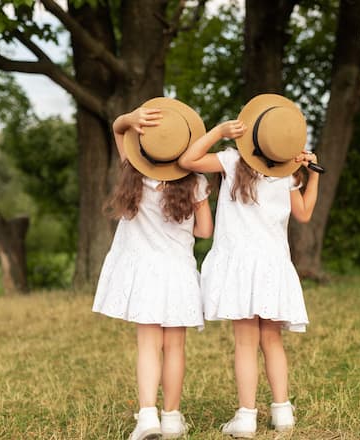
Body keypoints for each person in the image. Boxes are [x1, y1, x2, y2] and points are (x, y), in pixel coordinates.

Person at [177, 94, 320, 438]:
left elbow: (187, 159)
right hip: (273, 267)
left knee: (245, 343)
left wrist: (219, 131)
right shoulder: (286, 175)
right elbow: (304, 213)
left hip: (241, 264)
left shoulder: (231, 159)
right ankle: (282, 411)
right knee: (272, 341)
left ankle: (246, 417)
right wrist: (312, 174)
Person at [92, 97, 213, 440]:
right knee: (175, 347)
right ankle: (172, 418)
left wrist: (131, 118)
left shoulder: (132, 170)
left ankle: (147, 418)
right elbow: (205, 232)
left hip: (143, 274)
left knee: (148, 346)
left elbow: (118, 128)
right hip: (178, 274)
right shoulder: (195, 182)